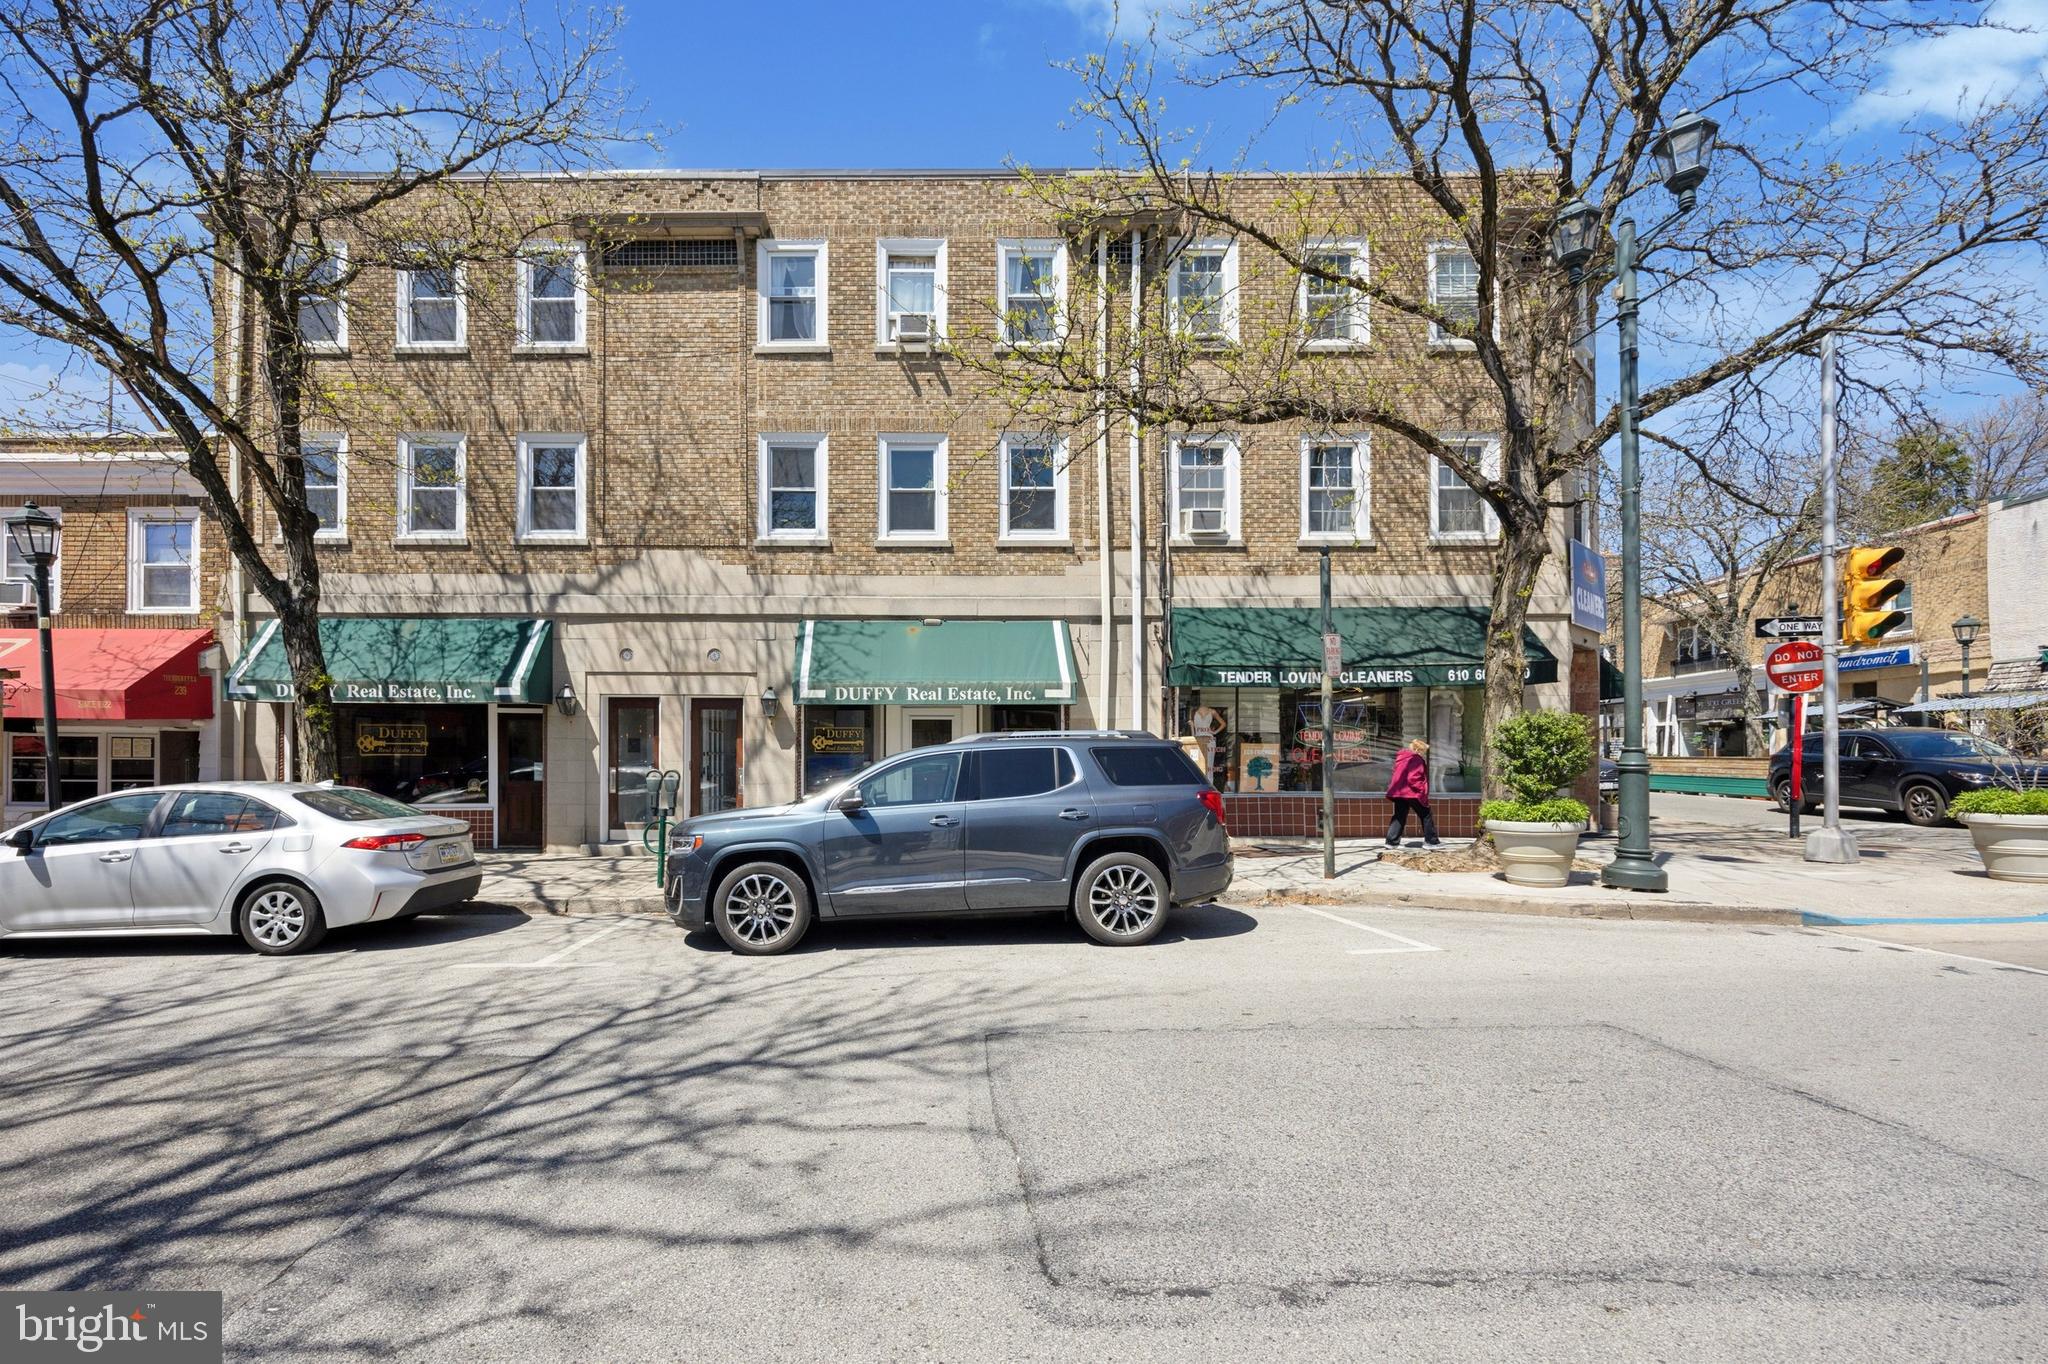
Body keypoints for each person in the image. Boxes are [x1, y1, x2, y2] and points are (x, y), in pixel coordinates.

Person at [1385, 738, 1441, 848]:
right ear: (1417, 750)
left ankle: (1391, 842)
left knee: (1399, 815)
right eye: (1422, 751)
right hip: (1411, 792)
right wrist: (1421, 790)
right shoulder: (1416, 759)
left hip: (1399, 792)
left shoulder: (1401, 758)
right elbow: (1413, 777)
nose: (1423, 754)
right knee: (1426, 814)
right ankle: (1431, 841)